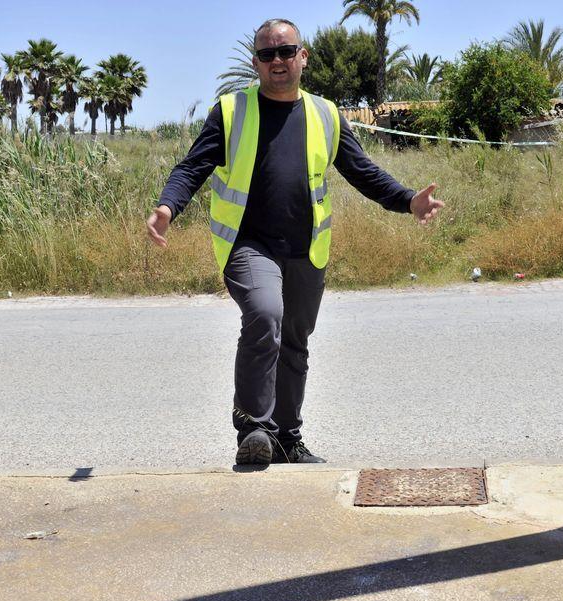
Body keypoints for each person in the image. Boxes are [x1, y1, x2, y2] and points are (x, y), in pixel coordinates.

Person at [145, 18, 445, 466]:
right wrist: (168, 207)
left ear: (303, 56)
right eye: (267, 55)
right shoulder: (231, 111)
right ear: (256, 63)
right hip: (247, 244)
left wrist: (407, 201)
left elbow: (362, 172)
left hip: (307, 247)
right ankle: (252, 427)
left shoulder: (325, 114)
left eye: (286, 52)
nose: (278, 61)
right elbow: (193, 167)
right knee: (266, 314)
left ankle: (287, 438)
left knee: (296, 341)